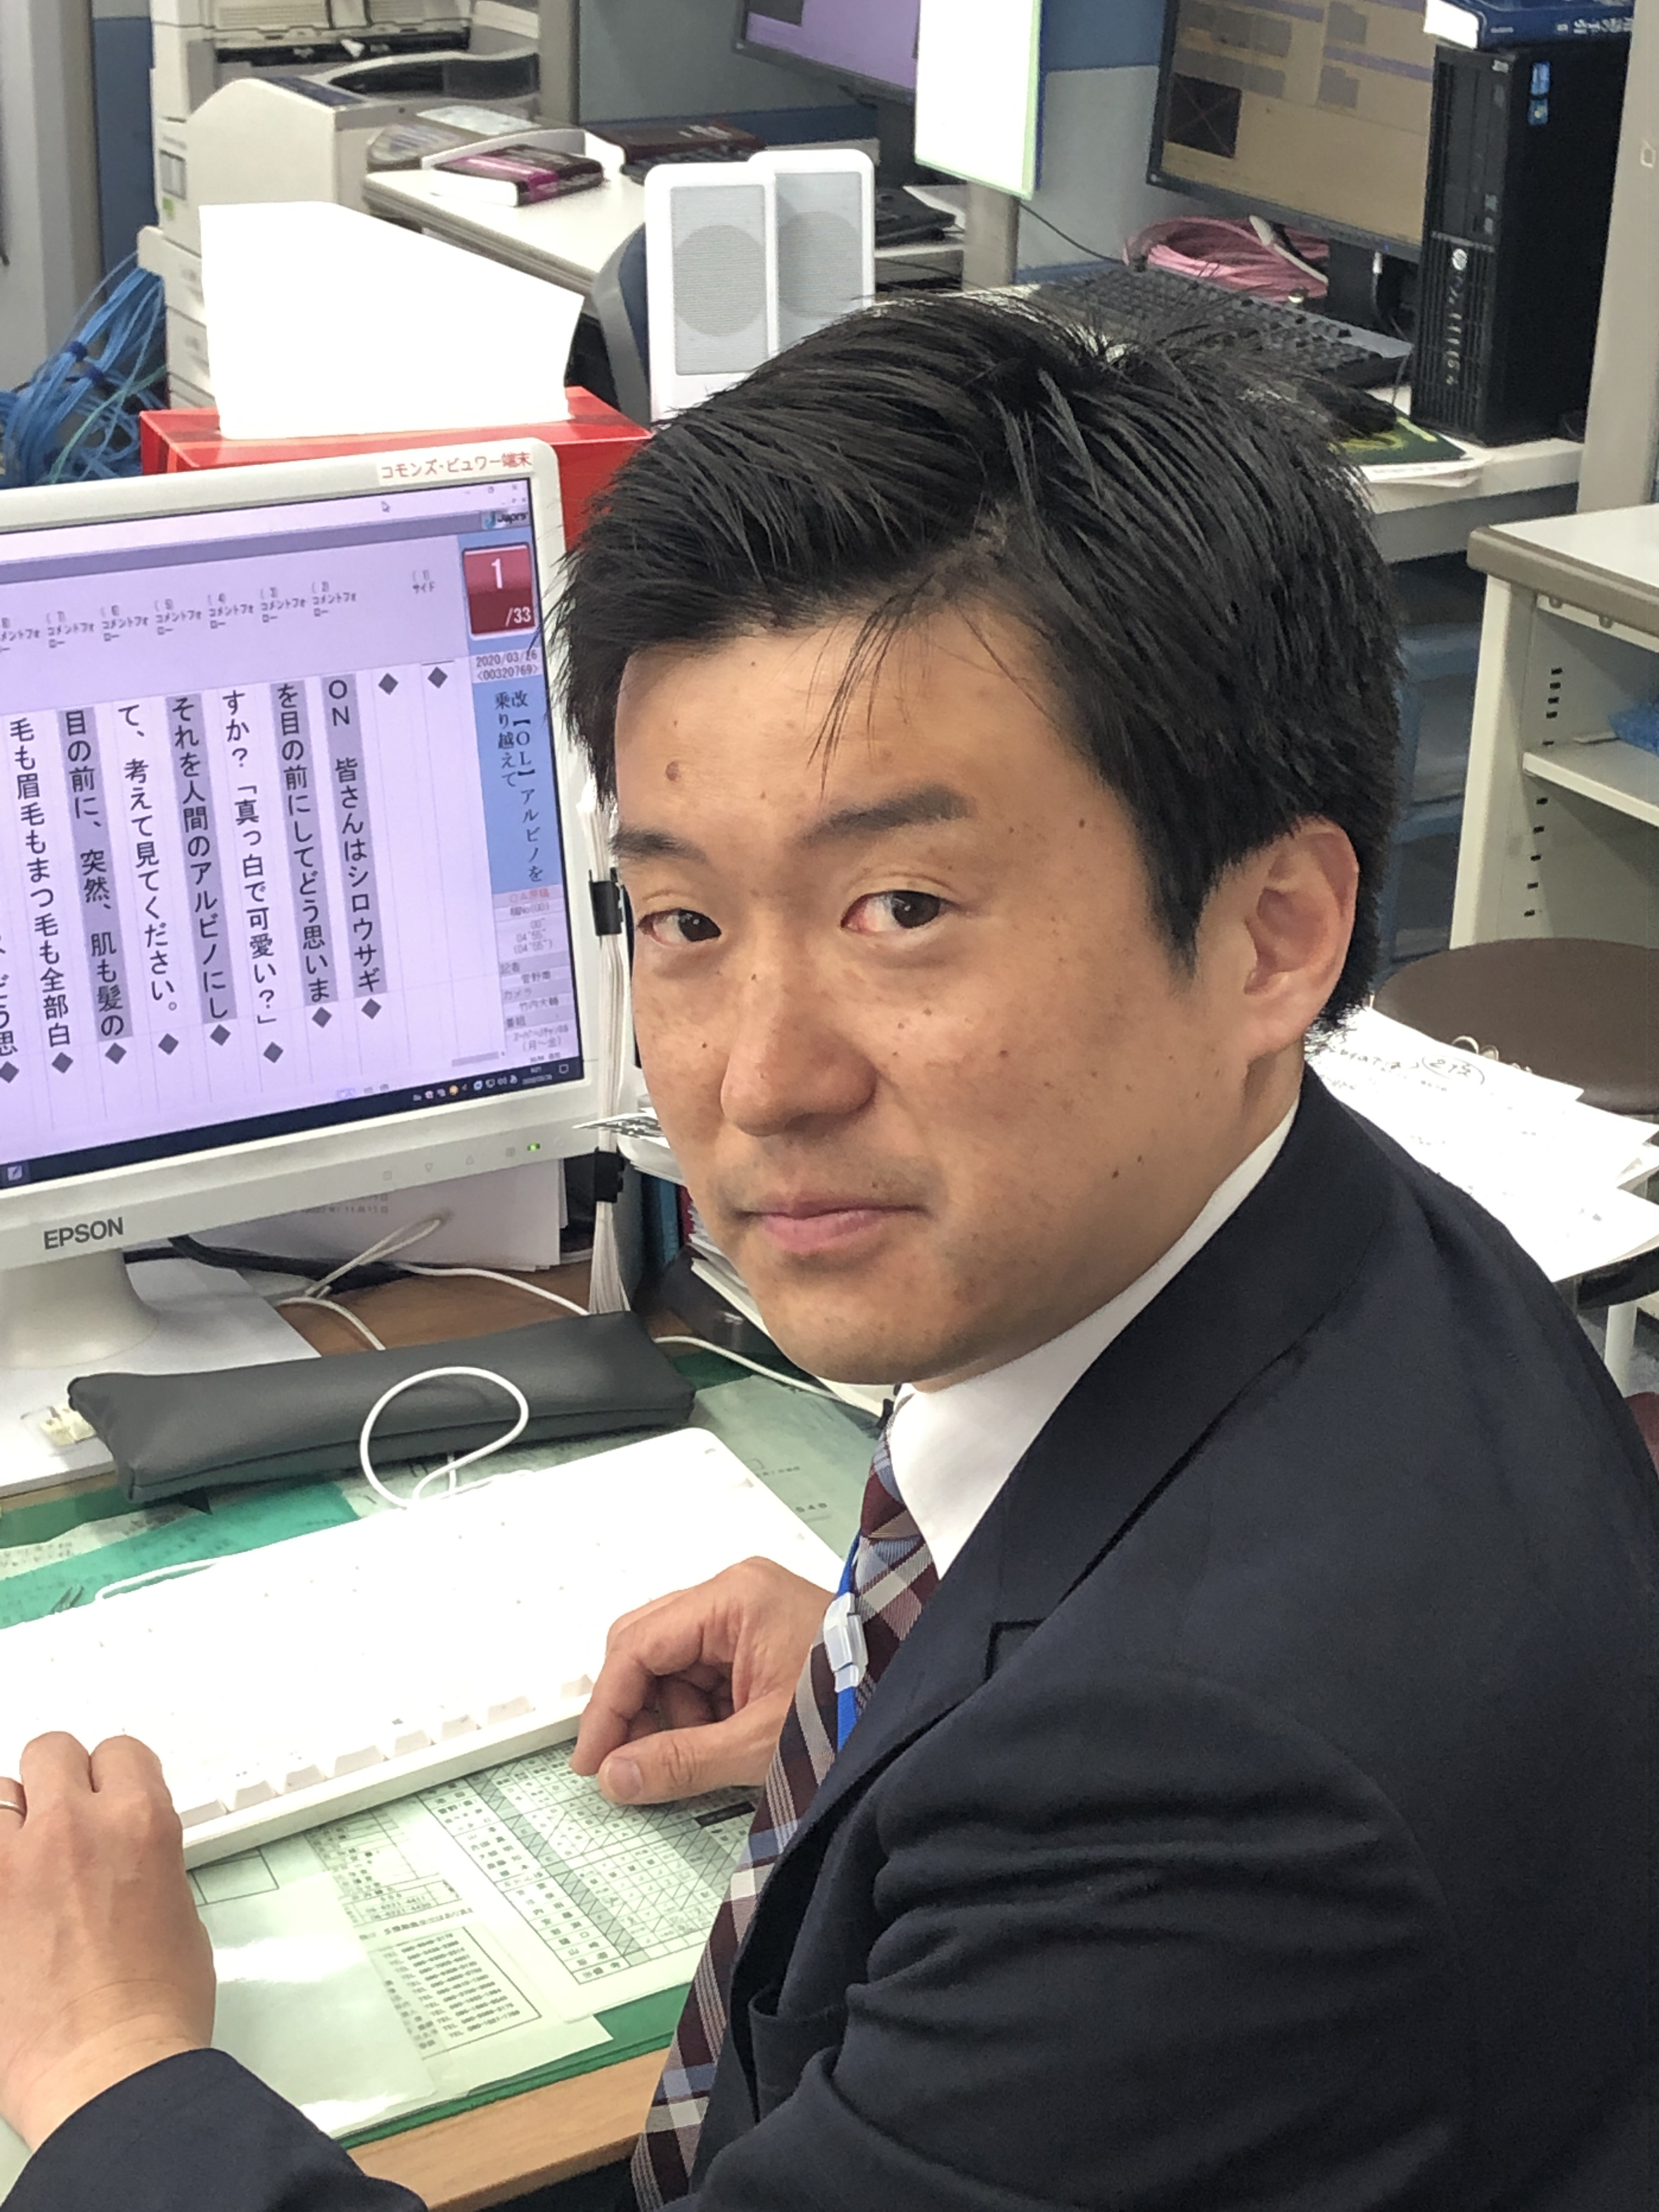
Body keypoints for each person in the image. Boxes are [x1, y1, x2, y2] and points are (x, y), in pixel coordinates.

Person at [1, 296, 1655, 2212]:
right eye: (685, 921)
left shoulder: (1221, 1800)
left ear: (1275, 931)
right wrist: (908, 1679)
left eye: (902, 907)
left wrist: (113, 2070)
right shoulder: (1346, 1232)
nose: (761, 1080)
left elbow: (1204, 1768)